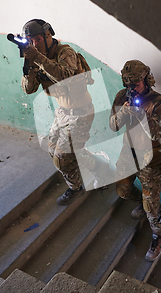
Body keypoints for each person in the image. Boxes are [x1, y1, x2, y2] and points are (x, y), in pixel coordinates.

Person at [20, 18, 101, 205]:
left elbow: (65, 76)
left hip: (81, 112)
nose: (34, 44)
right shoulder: (35, 57)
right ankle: (97, 167)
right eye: (31, 41)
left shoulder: (66, 52)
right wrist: (28, 65)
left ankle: (76, 187)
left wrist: (38, 58)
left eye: (38, 39)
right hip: (63, 111)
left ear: (49, 36)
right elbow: (29, 89)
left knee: (63, 159)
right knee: (52, 149)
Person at [109, 60, 161, 261]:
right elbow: (113, 126)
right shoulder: (122, 96)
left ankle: (158, 236)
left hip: (149, 158)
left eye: (135, 84)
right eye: (128, 85)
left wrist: (140, 116)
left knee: (152, 205)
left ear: (146, 79)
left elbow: (156, 134)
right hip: (129, 153)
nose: (131, 89)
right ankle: (140, 203)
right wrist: (122, 114)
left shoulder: (158, 102)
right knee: (123, 189)